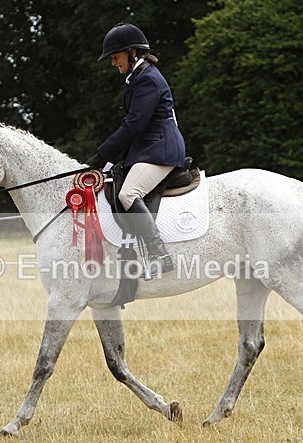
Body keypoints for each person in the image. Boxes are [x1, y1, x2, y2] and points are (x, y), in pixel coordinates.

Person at [86, 22, 186, 277]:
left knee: (129, 194)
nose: (113, 63)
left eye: (115, 56)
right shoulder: (138, 77)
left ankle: (159, 255)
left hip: (161, 149)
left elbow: (133, 125)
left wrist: (101, 156)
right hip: (149, 147)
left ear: (132, 52)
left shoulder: (147, 79)